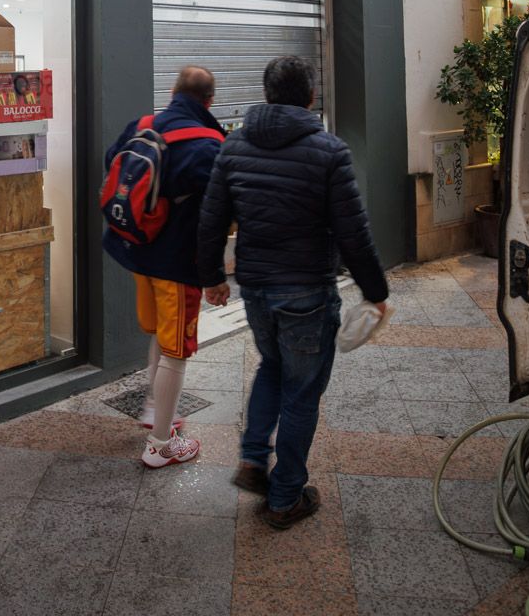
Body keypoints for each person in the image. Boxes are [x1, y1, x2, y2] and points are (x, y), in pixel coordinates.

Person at [196, 55, 388, 528]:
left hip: (256, 290)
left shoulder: (234, 145)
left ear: (266, 94)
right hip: (306, 292)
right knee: (301, 392)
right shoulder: (329, 151)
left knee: (273, 367)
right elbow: (354, 232)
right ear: (310, 97)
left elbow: (211, 219)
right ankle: (285, 498)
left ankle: (254, 458)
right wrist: (376, 291)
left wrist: (212, 277)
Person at [102, 66, 226, 469]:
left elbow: (112, 164)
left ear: (173, 91)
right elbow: (215, 217)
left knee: (159, 334)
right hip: (177, 264)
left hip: (137, 251)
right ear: (209, 101)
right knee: (178, 350)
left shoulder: (142, 125)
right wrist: (214, 276)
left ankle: (159, 412)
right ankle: (160, 446)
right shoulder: (209, 143)